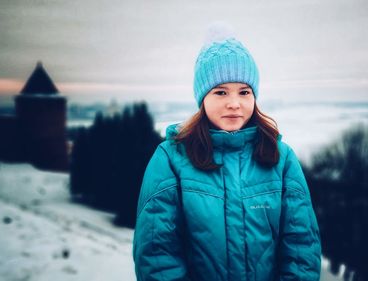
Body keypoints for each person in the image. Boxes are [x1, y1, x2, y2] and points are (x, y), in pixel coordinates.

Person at [133, 24, 321, 281]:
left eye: (244, 92)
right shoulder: (171, 159)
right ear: (202, 98)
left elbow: (301, 250)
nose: (234, 103)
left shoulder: (282, 159)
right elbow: (157, 254)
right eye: (221, 92)